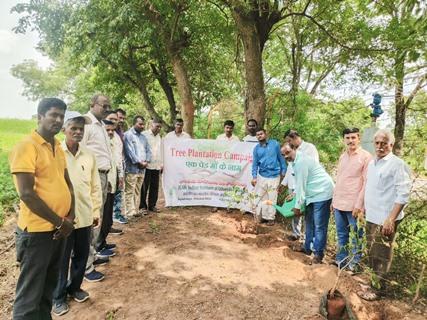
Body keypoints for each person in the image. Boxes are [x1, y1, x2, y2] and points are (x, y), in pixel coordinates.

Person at [9, 98, 75, 320]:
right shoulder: (26, 146)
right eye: (53, 115)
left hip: (59, 230)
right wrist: (60, 222)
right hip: (37, 232)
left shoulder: (58, 146)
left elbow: (68, 185)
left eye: (61, 116)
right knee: (29, 298)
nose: (58, 120)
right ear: (39, 117)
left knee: (47, 289)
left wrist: (70, 217)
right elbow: (27, 194)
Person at [52, 111, 101, 316]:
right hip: (64, 219)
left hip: (85, 214)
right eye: (74, 128)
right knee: (61, 260)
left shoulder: (89, 155)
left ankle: (75, 288)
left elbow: (95, 185)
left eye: (81, 129)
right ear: (64, 129)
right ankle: (58, 297)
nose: (78, 132)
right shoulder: (55, 152)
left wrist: (96, 210)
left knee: (81, 256)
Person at [358, 129, 411, 301]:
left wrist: (391, 218)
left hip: (386, 219)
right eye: (377, 143)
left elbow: (403, 194)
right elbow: (372, 188)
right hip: (372, 215)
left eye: (384, 143)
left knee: (382, 254)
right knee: (373, 252)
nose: (380, 146)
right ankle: (374, 283)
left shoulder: (397, 164)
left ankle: (379, 291)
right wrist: (363, 208)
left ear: (391, 144)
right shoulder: (373, 163)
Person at [282, 143, 334, 264]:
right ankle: (307, 248)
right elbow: (301, 183)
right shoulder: (294, 162)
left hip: (322, 193)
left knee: (319, 225)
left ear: (294, 149)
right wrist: (295, 194)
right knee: (309, 222)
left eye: (288, 152)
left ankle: (318, 254)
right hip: (311, 195)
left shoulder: (302, 162)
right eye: (283, 154)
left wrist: (297, 206)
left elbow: (301, 185)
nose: (286, 156)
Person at [81, 94, 114, 282]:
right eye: (103, 105)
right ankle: (86, 266)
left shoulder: (101, 125)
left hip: (103, 174)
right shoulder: (86, 125)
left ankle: (92, 256)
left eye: (108, 106)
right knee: (90, 218)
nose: (106, 108)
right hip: (91, 176)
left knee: (97, 218)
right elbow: (79, 151)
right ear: (92, 104)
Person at [332, 128, 371, 270]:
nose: (350, 141)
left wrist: (359, 205)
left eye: (353, 137)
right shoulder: (343, 156)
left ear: (358, 138)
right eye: (347, 138)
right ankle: (341, 261)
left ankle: (353, 265)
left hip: (355, 205)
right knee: (341, 235)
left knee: (356, 237)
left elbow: (367, 183)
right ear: (344, 140)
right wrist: (333, 201)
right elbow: (339, 179)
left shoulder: (366, 157)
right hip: (339, 203)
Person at [282, 129, 319, 241]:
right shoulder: (291, 151)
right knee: (294, 210)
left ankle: (307, 239)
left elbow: (313, 166)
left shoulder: (310, 148)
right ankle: (295, 234)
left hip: (305, 185)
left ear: (293, 137)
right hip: (293, 184)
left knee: (306, 212)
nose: (289, 143)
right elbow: (290, 168)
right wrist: (284, 183)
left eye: (289, 141)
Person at [95, 119, 123, 257]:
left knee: (107, 215)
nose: (111, 132)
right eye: (108, 130)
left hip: (112, 179)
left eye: (112, 129)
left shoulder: (115, 140)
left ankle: (103, 242)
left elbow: (117, 161)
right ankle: (98, 247)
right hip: (102, 181)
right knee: (101, 214)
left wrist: (120, 176)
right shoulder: (99, 145)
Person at [251, 128, 287, 225]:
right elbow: (254, 164)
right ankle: (263, 217)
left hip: (274, 175)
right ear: (256, 137)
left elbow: (281, 158)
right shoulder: (256, 149)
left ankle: (271, 218)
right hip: (262, 175)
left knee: (272, 197)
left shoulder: (274, 144)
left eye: (261, 133)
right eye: (257, 134)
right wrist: (254, 177)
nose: (259, 136)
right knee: (262, 197)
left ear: (265, 134)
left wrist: (284, 171)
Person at [124, 116, 152, 218]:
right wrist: (139, 162)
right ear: (134, 123)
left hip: (142, 170)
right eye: (140, 124)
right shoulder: (128, 135)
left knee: (137, 190)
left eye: (143, 124)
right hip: (132, 168)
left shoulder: (143, 137)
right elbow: (129, 152)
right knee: (129, 191)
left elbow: (148, 150)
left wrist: (147, 161)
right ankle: (129, 212)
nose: (142, 126)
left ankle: (134, 210)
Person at [105, 111, 127, 225]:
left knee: (115, 195)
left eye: (115, 119)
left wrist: (121, 175)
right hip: (104, 173)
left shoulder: (117, 136)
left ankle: (111, 221)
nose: (113, 121)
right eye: (111, 119)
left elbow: (119, 157)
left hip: (117, 171)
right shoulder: (101, 136)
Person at [140, 118, 163, 213]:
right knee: (144, 187)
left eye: (160, 127)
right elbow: (141, 149)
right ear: (151, 125)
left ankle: (152, 205)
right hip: (147, 165)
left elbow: (160, 151)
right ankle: (142, 207)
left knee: (154, 187)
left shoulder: (159, 137)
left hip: (156, 166)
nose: (159, 129)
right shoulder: (144, 135)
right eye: (157, 126)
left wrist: (162, 164)